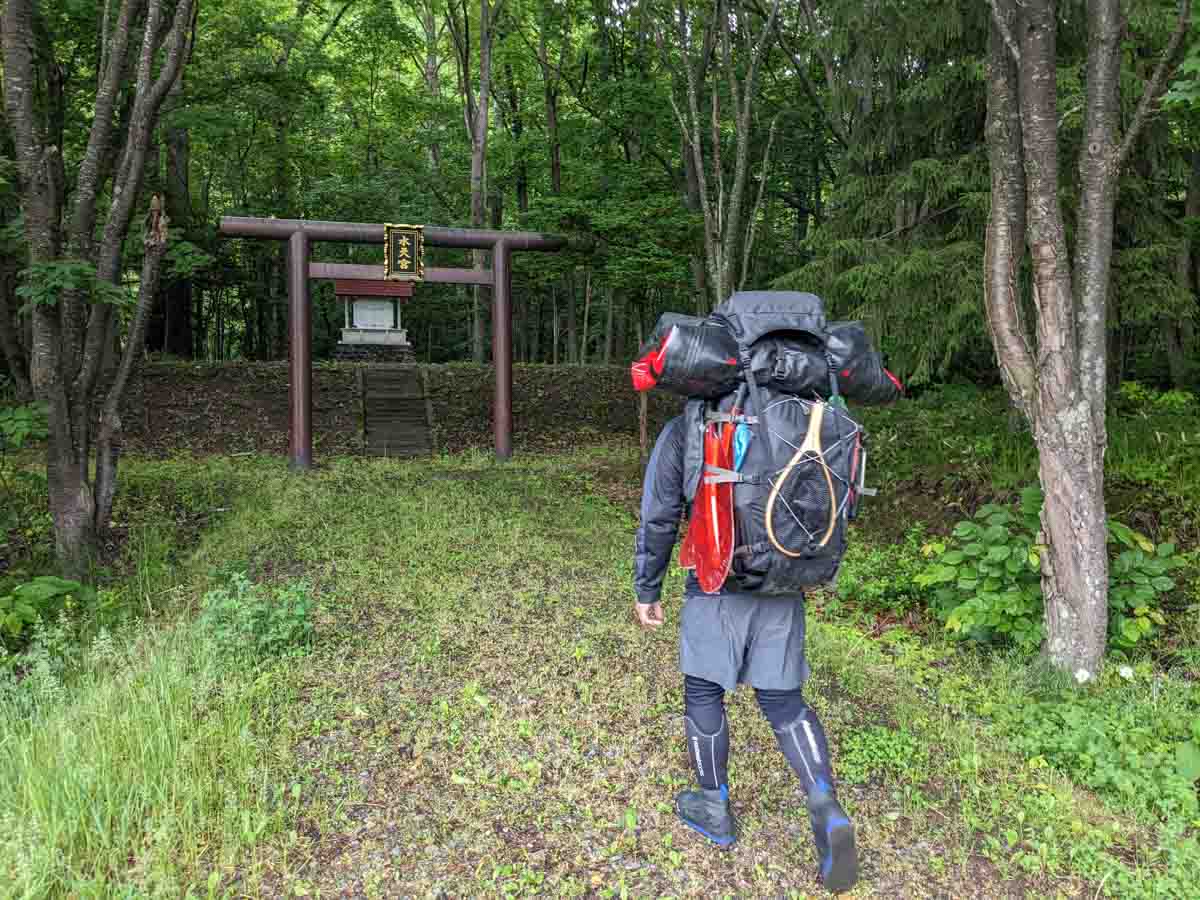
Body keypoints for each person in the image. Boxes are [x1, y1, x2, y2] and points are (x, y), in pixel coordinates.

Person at [633, 413, 859, 894]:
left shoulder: (689, 426)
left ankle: (713, 804)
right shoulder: (797, 421)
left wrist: (646, 586)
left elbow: (658, 512)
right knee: (783, 701)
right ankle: (825, 806)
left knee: (703, 689)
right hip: (782, 580)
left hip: (715, 581)